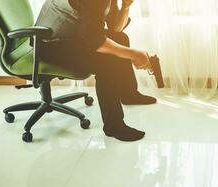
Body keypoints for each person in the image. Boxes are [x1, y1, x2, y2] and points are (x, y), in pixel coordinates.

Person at [35, 0, 157, 142]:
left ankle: (128, 94)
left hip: (70, 37)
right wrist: (133, 54)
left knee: (121, 39)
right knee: (107, 61)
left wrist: (126, 7)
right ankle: (113, 126)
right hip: (49, 46)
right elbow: (96, 41)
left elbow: (114, 30)